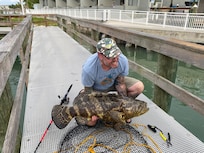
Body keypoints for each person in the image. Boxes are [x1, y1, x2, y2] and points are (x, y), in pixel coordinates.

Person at [76, 38, 144, 126]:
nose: (116, 60)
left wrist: (124, 107)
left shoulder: (122, 60)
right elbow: (89, 92)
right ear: (100, 56)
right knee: (91, 122)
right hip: (96, 89)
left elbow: (121, 83)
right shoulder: (89, 69)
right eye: (111, 56)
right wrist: (94, 110)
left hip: (113, 83)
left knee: (138, 87)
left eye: (117, 55)